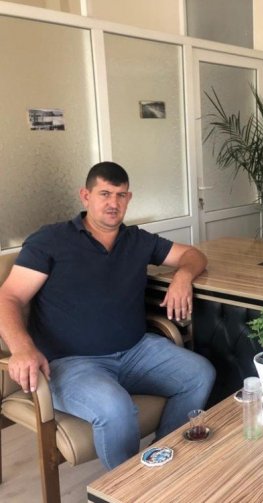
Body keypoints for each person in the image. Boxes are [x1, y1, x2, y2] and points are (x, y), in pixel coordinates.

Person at [0, 161, 216, 469]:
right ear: (85, 196)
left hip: (135, 351)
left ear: (129, 198)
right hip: (70, 363)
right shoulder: (50, 240)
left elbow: (194, 255)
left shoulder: (137, 240)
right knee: (116, 409)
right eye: (104, 194)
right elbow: (8, 297)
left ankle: (162, 464)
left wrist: (183, 276)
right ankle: (129, 488)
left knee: (199, 374)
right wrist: (22, 348)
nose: (113, 203)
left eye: (120, 195)